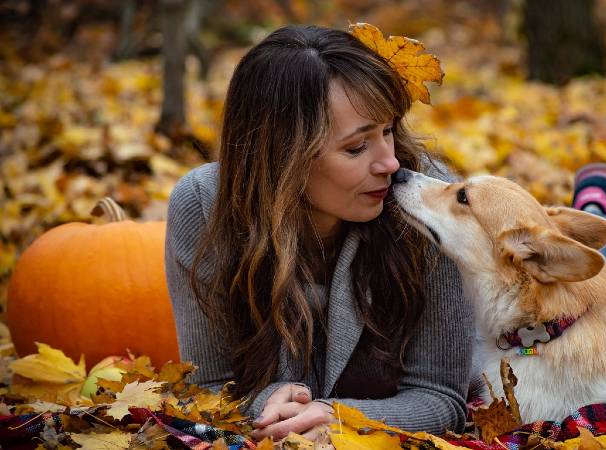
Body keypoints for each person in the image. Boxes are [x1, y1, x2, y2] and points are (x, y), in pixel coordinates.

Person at [165, 24, 473, 441]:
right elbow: (204, 388)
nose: (390, 163)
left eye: (387, 131)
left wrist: (341, 418)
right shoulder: (204, 206)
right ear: (283, 157)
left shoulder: (430, 205)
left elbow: (441, 395)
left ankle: (594, 202)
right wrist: (268, 404)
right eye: (355, 147)